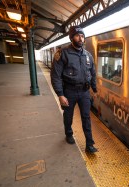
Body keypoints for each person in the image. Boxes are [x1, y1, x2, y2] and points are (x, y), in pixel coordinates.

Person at [51, 25, 98, 153]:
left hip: (84, 92)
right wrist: (60, 95)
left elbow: (92, 73)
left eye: (82, 36)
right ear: (72, 38)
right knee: (68, 116)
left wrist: (94, 90)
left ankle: (89, 144)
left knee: (86, 118)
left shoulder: (88, 55)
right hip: (69, 92)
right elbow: (55, 75)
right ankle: (69, 133)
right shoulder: (62, 54)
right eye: (77, 36)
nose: (80, 38)